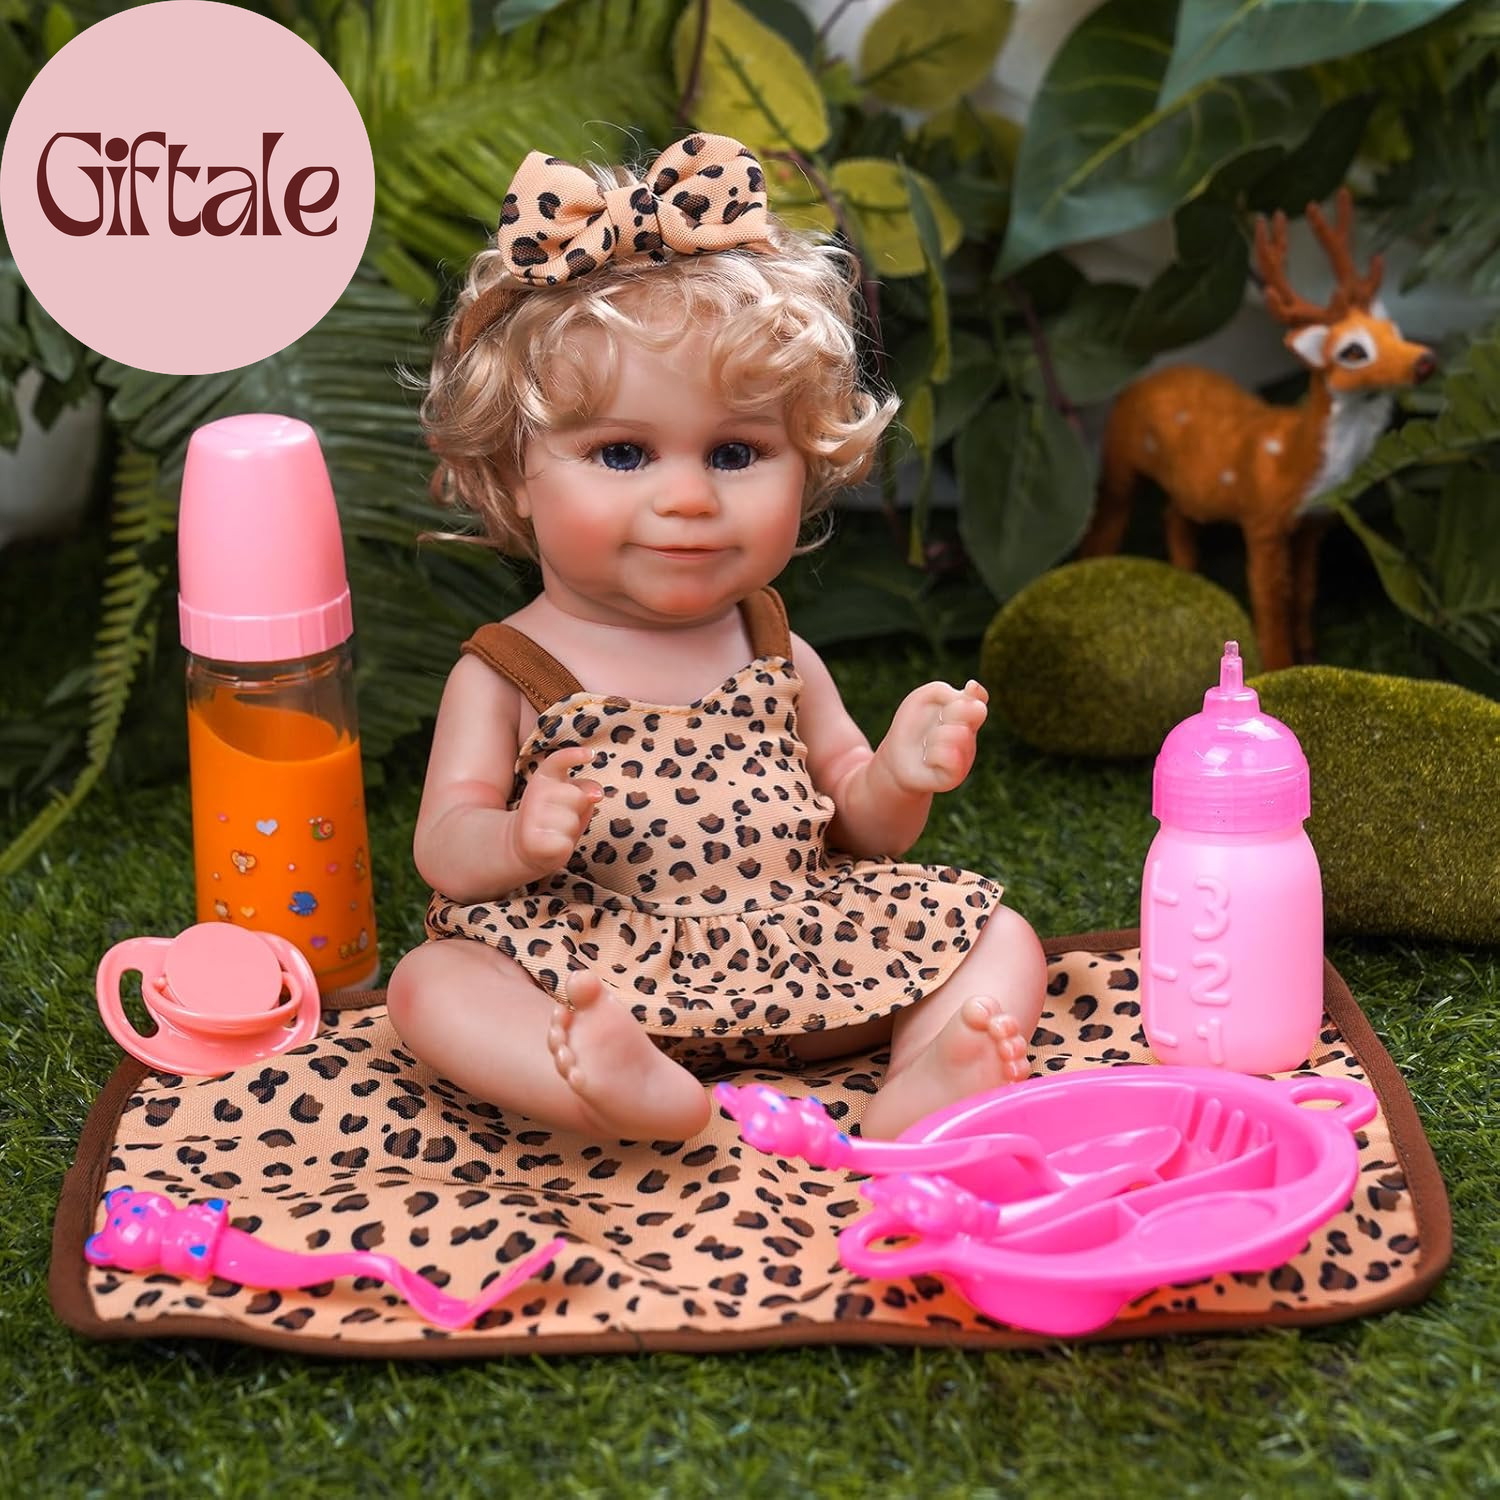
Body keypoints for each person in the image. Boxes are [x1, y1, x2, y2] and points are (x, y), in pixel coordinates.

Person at [388, 132, 1046, 1142]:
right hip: (592, 968)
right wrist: (516, 839)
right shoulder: (507, 669)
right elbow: (444, 845)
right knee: (431, 986)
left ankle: (927, 1082)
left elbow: (860, 830)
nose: (689, 498)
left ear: (807, 462)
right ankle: (615, 1085)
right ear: (515, 473)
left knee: (1000, 936)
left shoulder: (775, 648)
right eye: (623, 454)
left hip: (800, 958)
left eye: (736, 453)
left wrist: (900, 775)